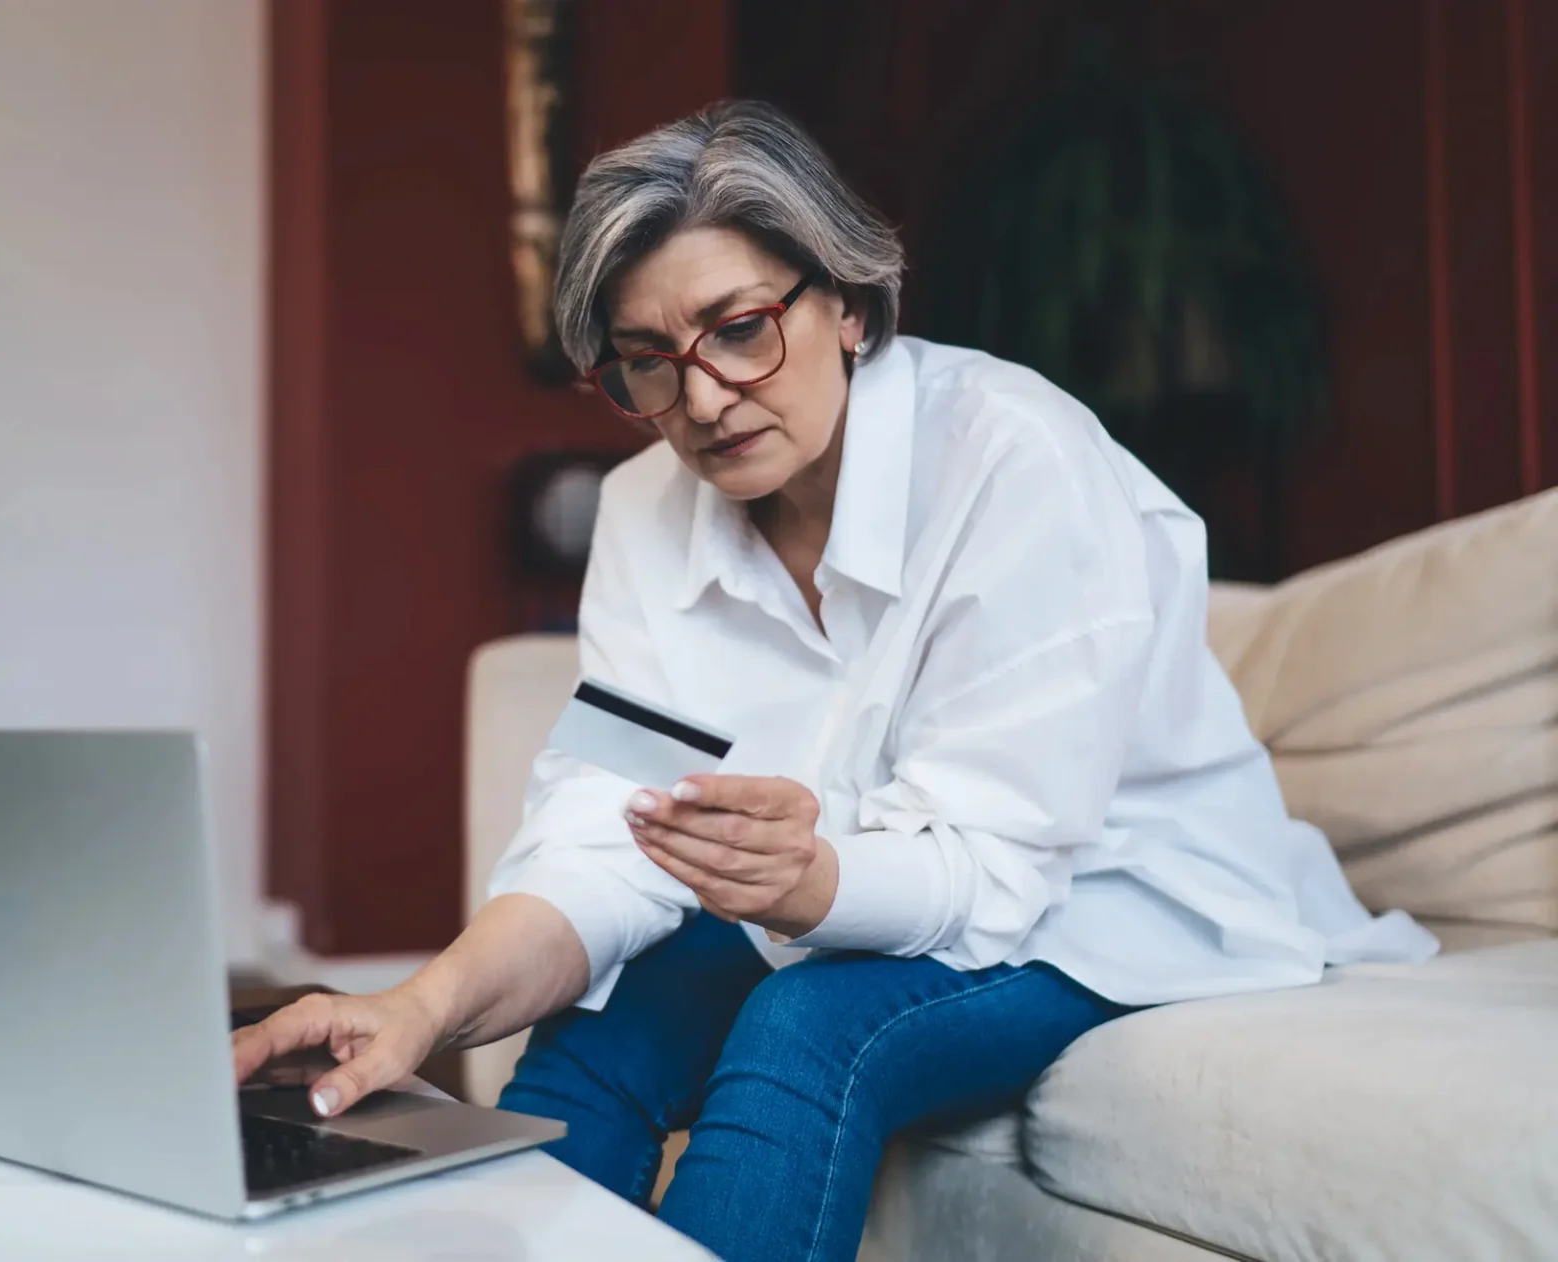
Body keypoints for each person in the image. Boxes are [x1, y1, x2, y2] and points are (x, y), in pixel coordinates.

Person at [233, 100, 1436, 1262]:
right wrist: (423, 1007)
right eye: (648, 362)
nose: (701, 399)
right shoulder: (643, 510)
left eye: (740, 326)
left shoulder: (1015, 462)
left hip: (1116, 899)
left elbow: (994, 869)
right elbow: (601, 841)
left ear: (850, 305)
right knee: (608, 1017)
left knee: (810, 1022)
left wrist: (805, 882)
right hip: (864, 884)